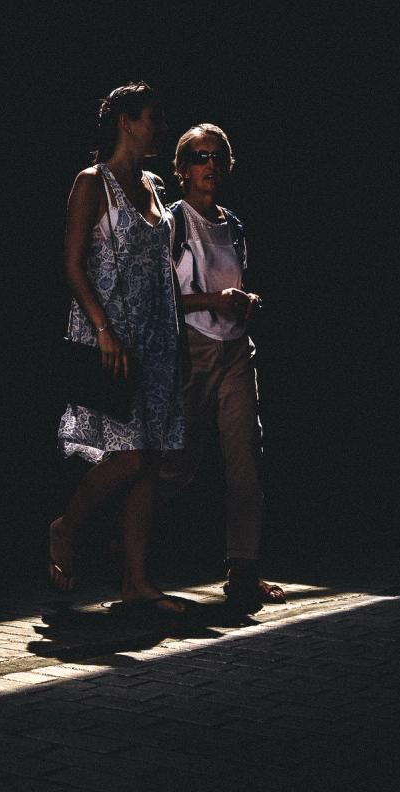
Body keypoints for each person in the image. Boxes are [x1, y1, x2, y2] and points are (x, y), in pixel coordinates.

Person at [50, 82, 187, 615]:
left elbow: (162, 272)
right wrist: (104, 328)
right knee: (128, 456)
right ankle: (66, 526)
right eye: (152, 117)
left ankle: (136, 583)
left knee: (148, 460)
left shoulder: (153, 185)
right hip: (111, 336)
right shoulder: (93, 183)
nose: (160, 126)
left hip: (156, 339)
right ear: (126, 122)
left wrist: (177, 341)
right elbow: (72, 263)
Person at [158, 123, 285, 608]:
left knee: (246, 461)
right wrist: (217, 299)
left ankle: (243, 570)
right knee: (178, 463)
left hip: (235, 349)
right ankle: (126, 552)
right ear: (183, 168)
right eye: (199, 156)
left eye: (217, 156)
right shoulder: (175, 222)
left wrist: (245, 301)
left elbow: (236, 282)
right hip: (193, 349)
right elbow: (164, 297)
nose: (209, 165)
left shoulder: (233, 223)